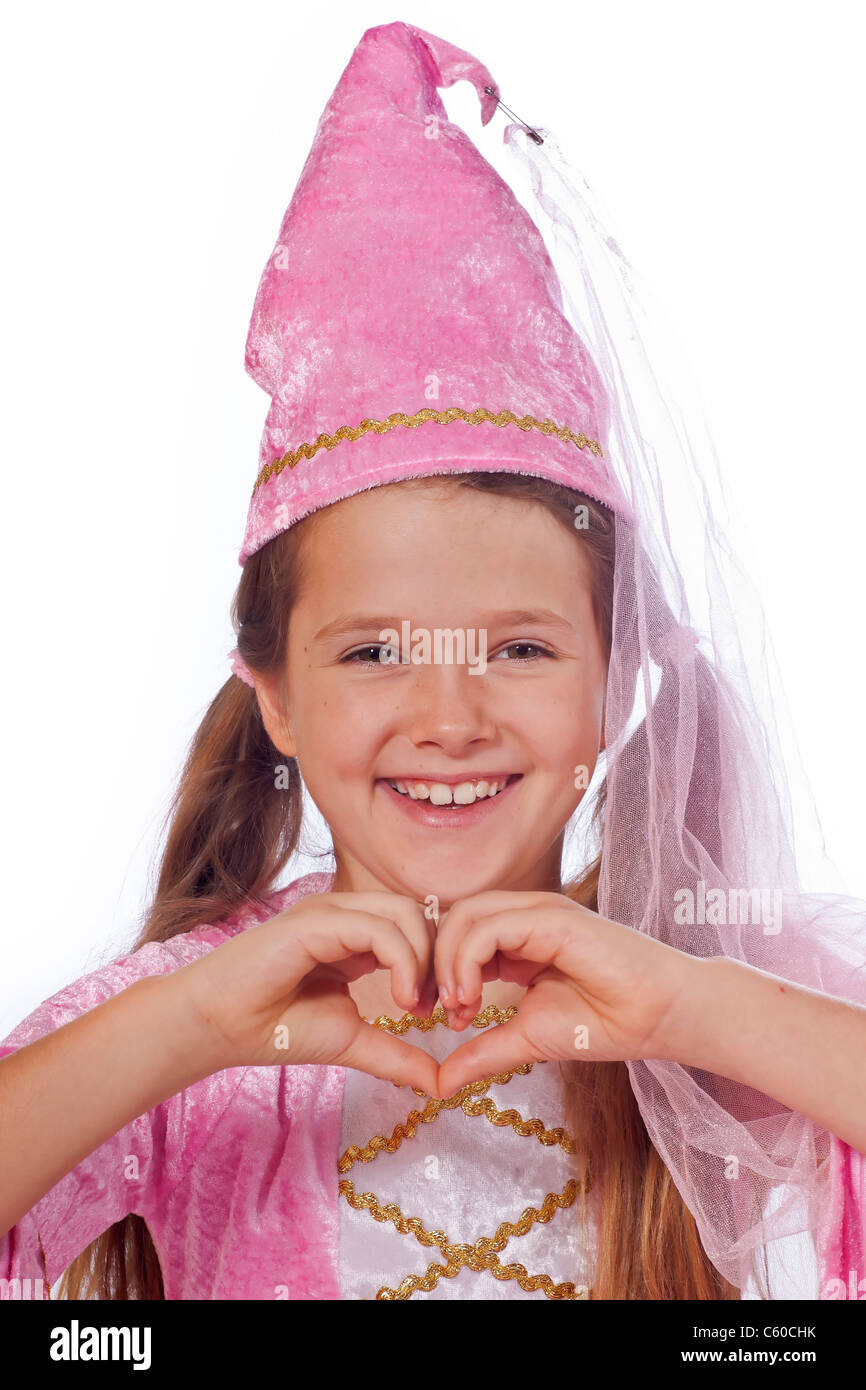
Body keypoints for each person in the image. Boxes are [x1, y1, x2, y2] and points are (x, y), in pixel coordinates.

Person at [1, 20, 864, 1302]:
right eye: (376, 652)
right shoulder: (200, 1014)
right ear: (274, 697)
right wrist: (185, 1028)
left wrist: (690, 1010)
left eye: (519, 646)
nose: (448, 715)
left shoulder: (709, 999)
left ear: (613, 685)